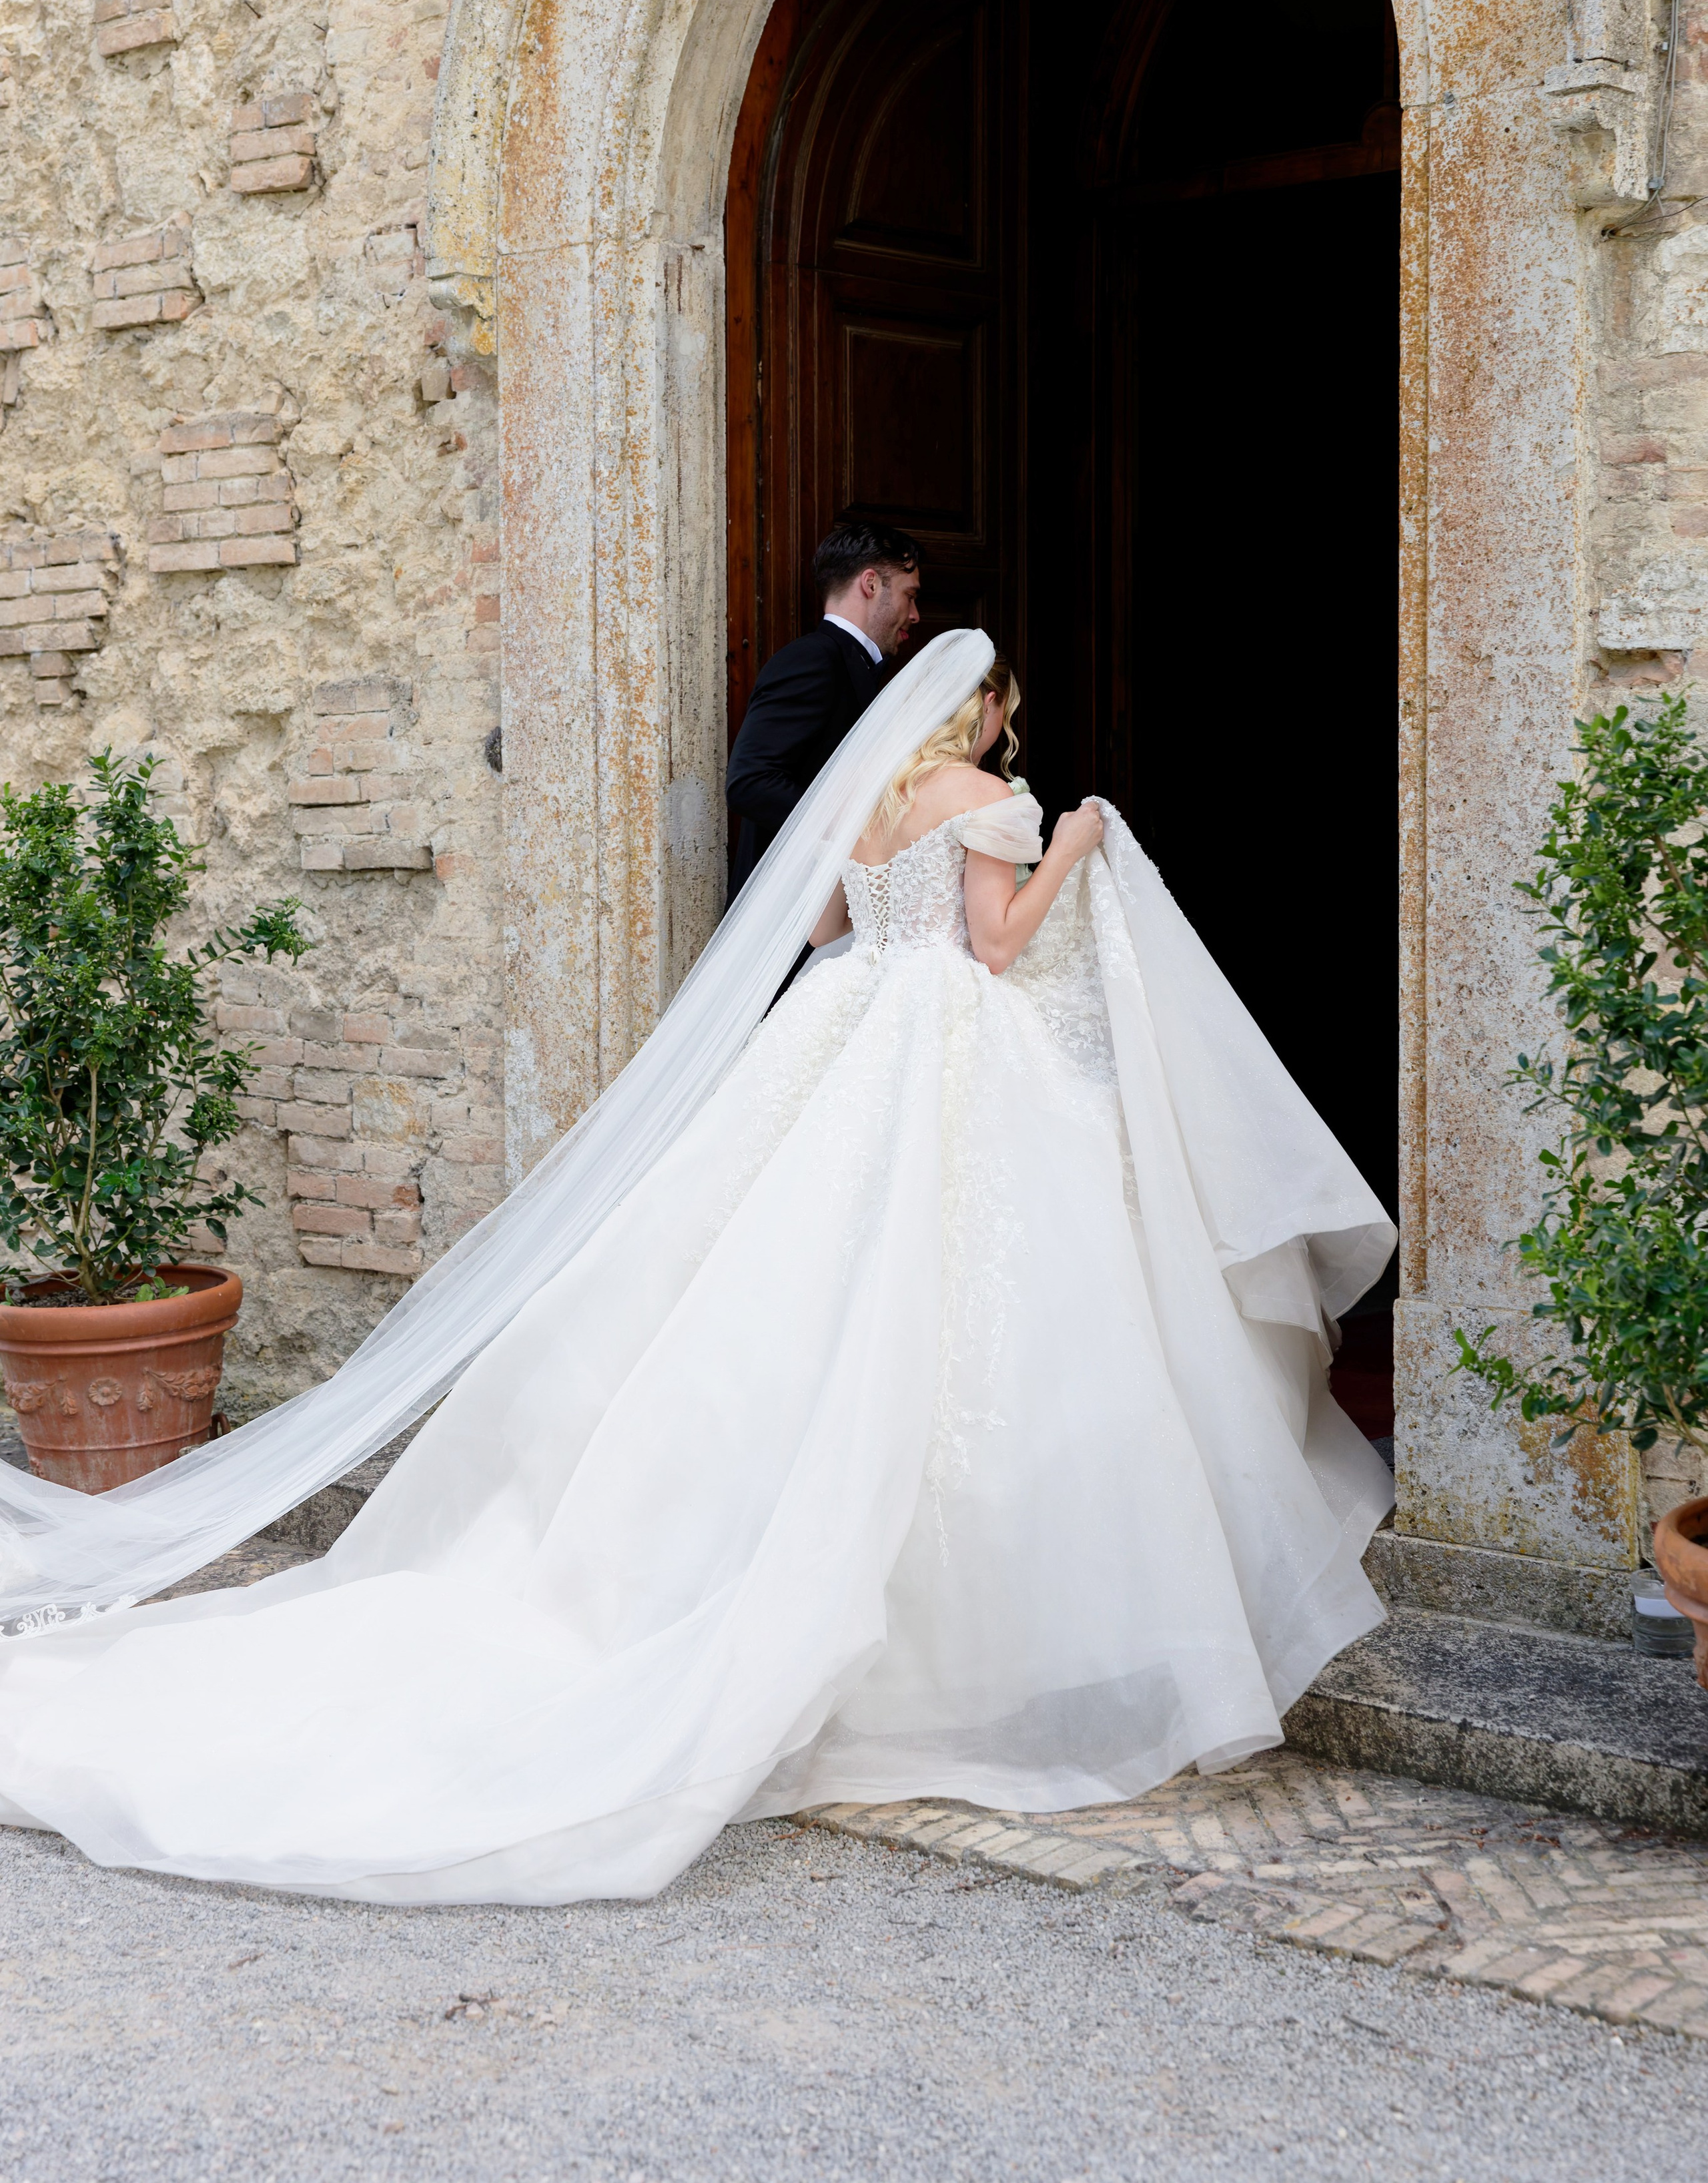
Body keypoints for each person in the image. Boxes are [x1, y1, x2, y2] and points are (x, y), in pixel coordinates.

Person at [0, 633, 1395, 1908]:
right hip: (951, 1050)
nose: (1002, 734)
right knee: (981, 1322)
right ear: (979, 715)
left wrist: (898, 906)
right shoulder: (986, 805)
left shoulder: (859, 808)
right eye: (1000, 714)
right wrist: (1076, 845)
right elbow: (992, 946)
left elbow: (819, 939)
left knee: (785, 1289)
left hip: (845, 1041)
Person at [725, 519, 922, 899]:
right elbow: (750, 784)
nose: (914, 614)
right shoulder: (812, 660)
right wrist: (863, 833)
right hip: (791, 909)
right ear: (871, 584)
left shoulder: (853, 665)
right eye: (909, 595)